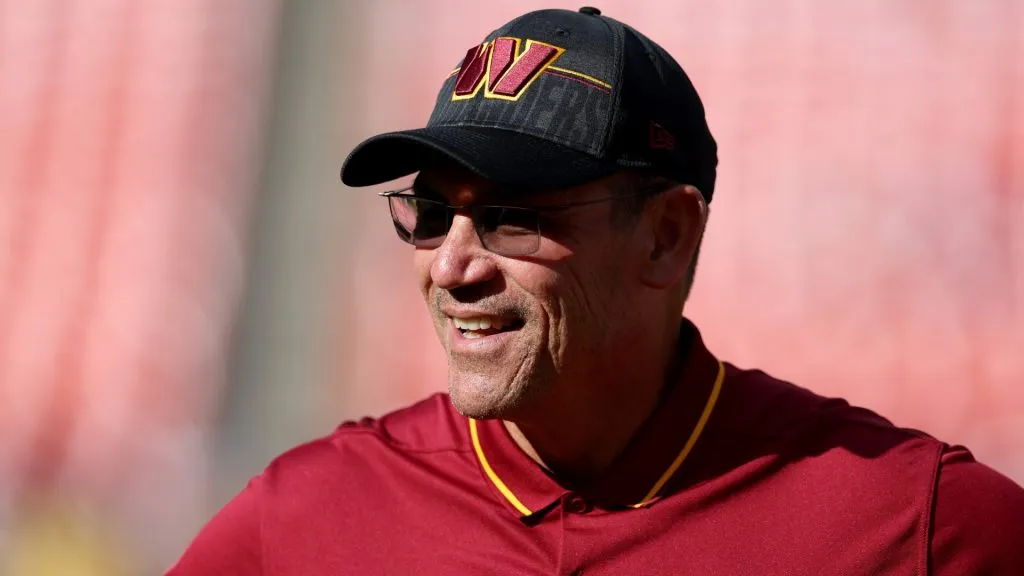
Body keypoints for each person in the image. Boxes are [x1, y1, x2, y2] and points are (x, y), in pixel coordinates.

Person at [168, 7, 1024, 575]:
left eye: (510, 217)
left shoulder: (915, 523)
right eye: (432, 212)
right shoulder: (312, 516)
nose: (451, 266)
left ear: (667, 235)